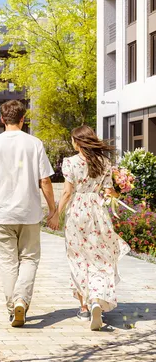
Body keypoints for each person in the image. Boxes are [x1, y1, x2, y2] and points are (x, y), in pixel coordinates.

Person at [0, 100, 55, 327]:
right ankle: (21, 299)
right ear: (23, 119)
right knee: (30, 259)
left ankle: (13, 306)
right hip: (30, 214)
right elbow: (45, 180)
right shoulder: (35, 144)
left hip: (1, 214)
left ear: (2, 119)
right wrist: (52, 209)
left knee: (7, 263)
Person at [47, 125, 130, 331]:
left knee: (78, 258)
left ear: (78, 142)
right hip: (97, 212)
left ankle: (84, 307)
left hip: (77, 213)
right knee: (100, 258)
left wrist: (56, 213)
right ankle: (96, 300)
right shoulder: (105, 163)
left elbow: (67, 192)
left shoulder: (71, 162)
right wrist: (124, 186)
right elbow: (110, 193)